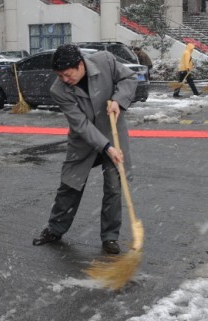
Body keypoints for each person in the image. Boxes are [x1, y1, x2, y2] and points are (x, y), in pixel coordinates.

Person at [32, 44, 138, 255]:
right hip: (84, 140)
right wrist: (106, 147)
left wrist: (118, 101)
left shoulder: (105, 61)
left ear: (80, 65)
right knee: (70, 184)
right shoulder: (58, 90)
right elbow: (81, 124)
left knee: (114, 186)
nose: (64, 79)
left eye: (67, 74)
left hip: (112, 133)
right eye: (60, 75)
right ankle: (55, 229)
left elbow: (129, 78)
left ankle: (110, 236)